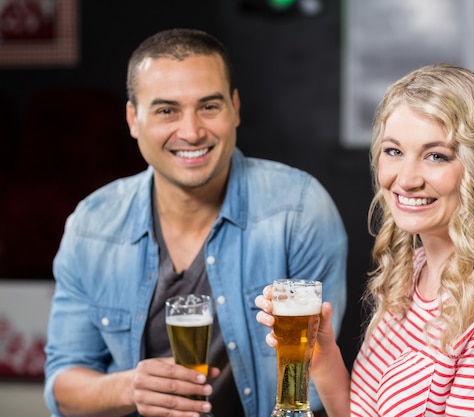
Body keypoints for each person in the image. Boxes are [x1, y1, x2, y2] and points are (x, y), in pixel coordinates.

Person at [256, 64, 474, 416]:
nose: (406, 179)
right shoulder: (411, 273)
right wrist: (324, 357)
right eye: (394, 151)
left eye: (436, 156)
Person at [44, 28, 348, 417]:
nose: (191, 132)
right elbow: (62, 387)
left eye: (209, 106)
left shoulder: (300, 210)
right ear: (133, 119)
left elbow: (310, 383)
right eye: (166, 110)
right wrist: (128, 388)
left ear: (235, 109)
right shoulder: (92, 225)